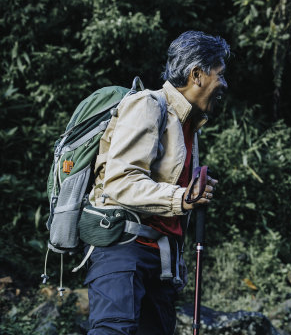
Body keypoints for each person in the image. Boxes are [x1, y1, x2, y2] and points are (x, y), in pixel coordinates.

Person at [84, 31, 230, 334]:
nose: (223, 84)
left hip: (160, 259)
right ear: (197, 75)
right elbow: (121, 182)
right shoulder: (148, 105)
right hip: (123, 250)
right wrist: (182, 198)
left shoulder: (188, 124)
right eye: (220, 74)